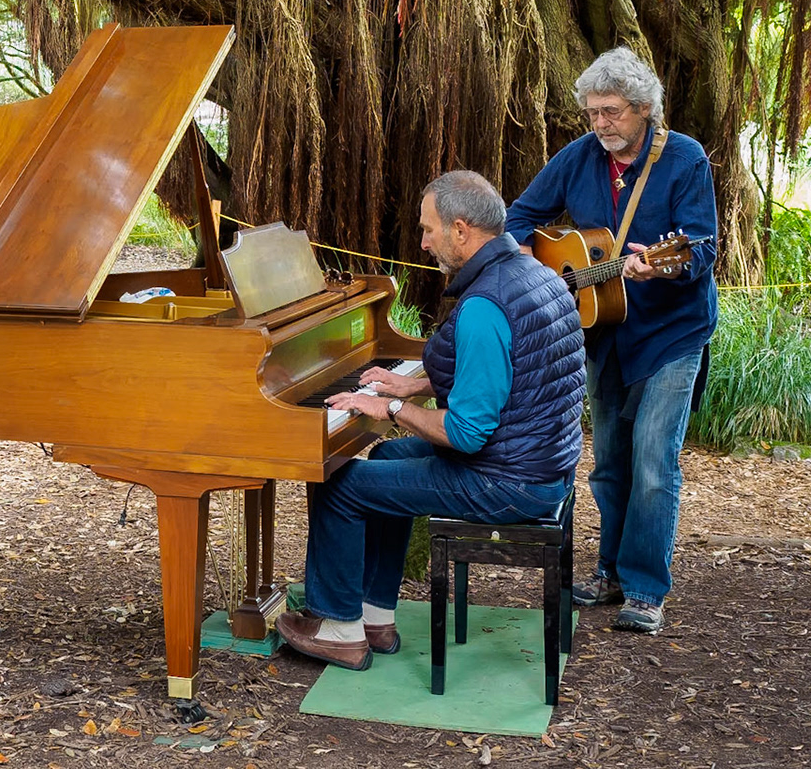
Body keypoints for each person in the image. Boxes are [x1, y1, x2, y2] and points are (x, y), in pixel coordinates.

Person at [276, 172, 586, 670]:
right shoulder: (534, 274)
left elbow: (466, 433)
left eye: (428, 229)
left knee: (339, 483)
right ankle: (374, 617)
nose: (422, 242)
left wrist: (392, 408)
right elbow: (510, 372)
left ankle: (336, 627)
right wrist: (412, 384)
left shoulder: (485, 304)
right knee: (388, 453)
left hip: (509, 480)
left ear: (461, 230)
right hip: (541, 460)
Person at [504, 46, 719, 635]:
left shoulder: (684, 159)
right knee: (609, 465)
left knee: (654, 460)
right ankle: (610, 574)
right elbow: (518, 216)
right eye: (593, 112)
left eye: (612, 112)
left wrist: (662, 266)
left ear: (644, 109)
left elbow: (702, 249)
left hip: (672, 333)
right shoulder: (577, 158)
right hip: (603, 335)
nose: (600, 124)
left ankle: (646, 589)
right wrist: (534, 262)